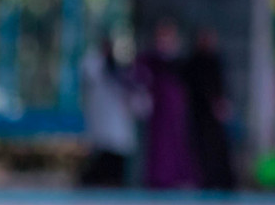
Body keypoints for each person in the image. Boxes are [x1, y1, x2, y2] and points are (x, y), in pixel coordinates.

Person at [136, 21, 196, 189]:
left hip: (174, 105)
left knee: (177, 141)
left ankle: (177, 175)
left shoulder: (177, 60)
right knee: (159, 144)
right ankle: (159, 177)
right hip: (158, 106)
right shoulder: (150, 59)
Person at [79, 36, 137, 187]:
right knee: (103, 155)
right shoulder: (96, 64)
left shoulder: (122, 70)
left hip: (118, 123)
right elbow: (89, 71)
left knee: (116, 156)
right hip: (102, 122)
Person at [185, 28, 236, 191]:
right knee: (202, 150)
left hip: (215, 117)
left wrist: (222, 104)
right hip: (200, 114)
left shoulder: (216, 61)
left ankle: (221, 182)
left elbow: (221, 87)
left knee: (218, 150)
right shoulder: (195, 63)